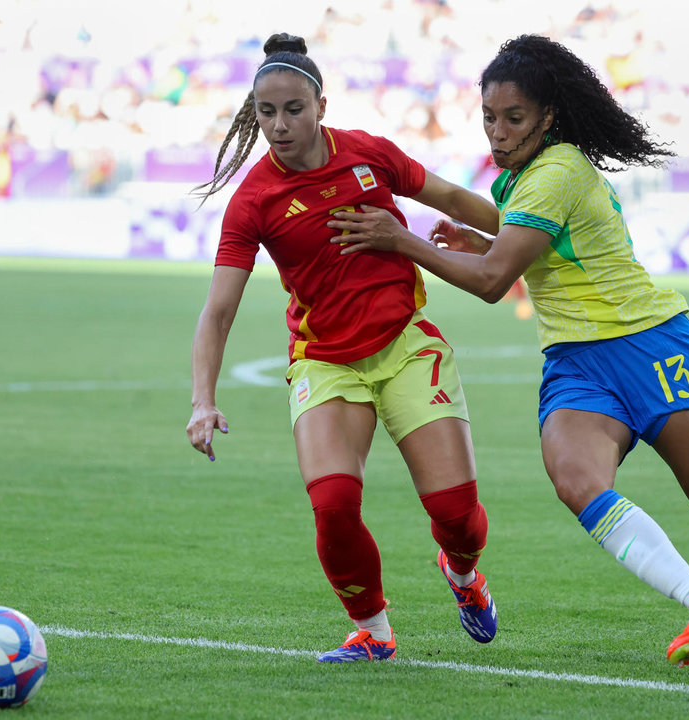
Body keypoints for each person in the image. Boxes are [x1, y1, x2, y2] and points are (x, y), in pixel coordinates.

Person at [328, 35, 689, 666]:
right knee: (575, 479)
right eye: (489, 117)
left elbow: (496, 283)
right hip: (576, 361)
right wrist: (469, 233)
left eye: (512, 118)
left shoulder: (560, 170)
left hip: (648, 341)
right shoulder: (526, 176)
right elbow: (514, 227)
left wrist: (401, 239)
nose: (497, 132)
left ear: (548, 117)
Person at [186, 33, 502, 663]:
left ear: (321, 105)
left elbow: (451, 199)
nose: (278, 125)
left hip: (405, 345)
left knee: (457, 514)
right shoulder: (253, 200)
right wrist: (202, 400)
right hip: (325, 361)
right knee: (332, 505)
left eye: (293, 110)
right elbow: (218, 310)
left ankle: (463, 575)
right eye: (265, 112)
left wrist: (523, 228)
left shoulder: (368, 154)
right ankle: (373, 633)